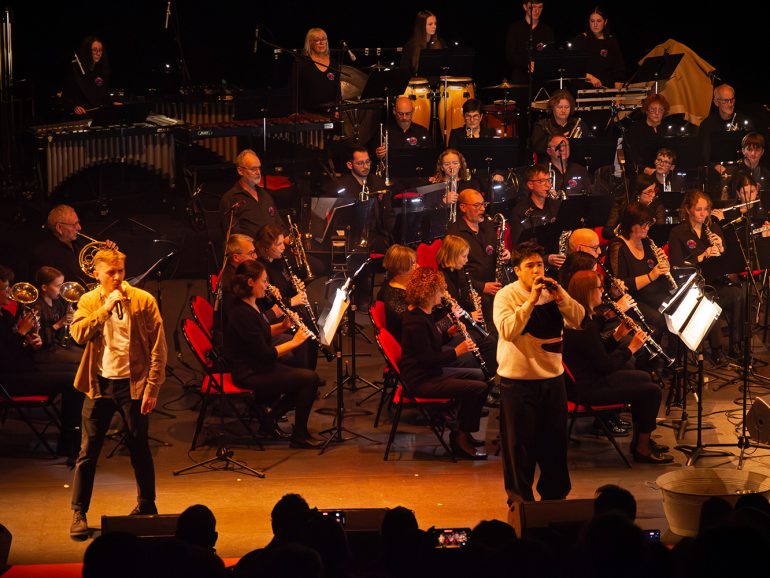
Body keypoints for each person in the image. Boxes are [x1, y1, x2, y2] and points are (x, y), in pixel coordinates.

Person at [69, 248, 167, 539]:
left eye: (120, 271)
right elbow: (78, 334)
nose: (116, 277)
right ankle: (78, 512)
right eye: (110, 272)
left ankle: (147, 506)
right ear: (97, 274)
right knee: (88, 452)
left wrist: (152, 387)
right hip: (99, 384)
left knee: (139, 447)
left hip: (132, 385)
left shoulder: (143, 300)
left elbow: (158, 348)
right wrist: (105, 308)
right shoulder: (89, 300)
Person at [493, 241, 584, 506]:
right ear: (517, 270)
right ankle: (521, 504)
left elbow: (579, 319)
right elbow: (508, 331)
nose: (536, 270)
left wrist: (561, 296)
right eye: (530, 266)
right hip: (518, 384)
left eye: (540, 265)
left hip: (552, 381)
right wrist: (531, 301)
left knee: (555, 446)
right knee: (519, 448)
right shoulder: (506, 296)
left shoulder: (553, 292)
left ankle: (554, 502)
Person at [564, 270, 672, 463]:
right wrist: (631, 348)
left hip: (589, 378)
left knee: (644, 378)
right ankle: (642, 448)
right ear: (589, 292)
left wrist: (617, 335)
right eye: (599, 288)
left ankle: (640, 440)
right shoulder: (584, 326)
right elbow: (605, 365)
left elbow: (596, 352)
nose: (602, 292)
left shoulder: (584, 318)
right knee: (652, 391)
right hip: (588, 389)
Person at [223, 260, 323, 449]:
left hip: (257, 365)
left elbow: (261, 332)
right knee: (309, 379)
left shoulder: (251, 303)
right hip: (249, 372)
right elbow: (266, 354)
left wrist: (283, 326)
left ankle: (269, 419)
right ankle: (299, 435)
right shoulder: (241, 313)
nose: (267, 285)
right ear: (251, 282)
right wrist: (295, 342)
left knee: (305, 378)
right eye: (264, 281)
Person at [400, 267, 489, 459]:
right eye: (441, 290)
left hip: (430, 373)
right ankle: (460, 437)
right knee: (479, 388)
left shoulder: (424, 314)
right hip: (421, 380)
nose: (443, 293)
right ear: (430, 293)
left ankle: (463, 430)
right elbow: (426, 359)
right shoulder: (415, 321)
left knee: (482, 377)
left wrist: (448, 335)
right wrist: (457, 351)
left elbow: (430, 346)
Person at [668, 191, 743, 363]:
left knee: (738, 293)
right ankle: (716, 350)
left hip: (714, 280)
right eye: (699, 209)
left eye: (706, 209)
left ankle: (736, 345)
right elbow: (677, 265)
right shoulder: (677, 233)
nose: (704, 214)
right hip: (693, 286)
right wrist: (703, 256)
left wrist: (721, 249)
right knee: (710, 298)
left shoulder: (713, 228)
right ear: (688, 210)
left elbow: (728, 262)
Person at [605, 202, 672, 349]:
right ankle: (656, 358)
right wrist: (651, 276)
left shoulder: (647, 241)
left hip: (653, 294)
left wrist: (665, 265)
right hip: (633, 299)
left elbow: (659, 274)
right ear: (630, 224)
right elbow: (620, 285)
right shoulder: (618, 246)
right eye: (643, 224)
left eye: (648, 224)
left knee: (677, 310)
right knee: (660, 320)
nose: (647, 228)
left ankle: (673, 354)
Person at [447, 188, 511, 323]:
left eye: (483, 204)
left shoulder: (488, 226)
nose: (482, 209)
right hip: (471, 290)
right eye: (477, 205)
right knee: (487, 306)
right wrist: (482, 287)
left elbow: (494, 253)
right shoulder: (454, 233)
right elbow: (454, 273)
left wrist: (506, 255)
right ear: (463, 207)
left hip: (493, 284)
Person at [323, 145, 394, 253]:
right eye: (360, 163)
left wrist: (386, 233)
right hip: (350, 237)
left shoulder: (378, 183)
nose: (366, 166)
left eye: (368, 162)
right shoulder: (339, 186)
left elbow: (388, 213)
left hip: (375, 236)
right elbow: (331, 216)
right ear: (350, 165)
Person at [30, 204, 103, 288]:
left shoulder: (81, 239)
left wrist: (106, 254)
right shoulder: (44, 254)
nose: (79, 227)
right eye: (74, 224)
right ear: (59, 228)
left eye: (78, 222)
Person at [219, 150, 284, 240]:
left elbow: (279, 225)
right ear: (240, 171)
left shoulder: (265, 195)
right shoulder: (230, 199)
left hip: (273, 247)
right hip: (252, 248)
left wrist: (291, 240)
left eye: (259, 168)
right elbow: (234, 240)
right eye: (253, 169)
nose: (258, 172)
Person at [509, 164, 564, 268]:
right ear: (530, 185)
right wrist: (545, 259)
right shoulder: (519, 212)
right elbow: (520, 249)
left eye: (549, 180)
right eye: (542, 181)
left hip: (559, 259)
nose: (548, 185)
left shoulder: (557, 205)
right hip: (534, 264)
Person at [700, 84, 754, 168]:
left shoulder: (744, 121)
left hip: (742, 168)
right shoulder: (707, 125)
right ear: (716, 102)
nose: (730, 104)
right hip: (716, 170)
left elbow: (753, 148)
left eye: (732, 100)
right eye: (725, 100)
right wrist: (715, 166)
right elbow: (704, 153)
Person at [572, 7, 626, 89]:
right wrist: (590, 77)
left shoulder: (611, 40)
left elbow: (619, 68)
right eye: (592, 21)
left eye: (599, 21)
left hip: (607, 89)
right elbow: (573, 66)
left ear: (605, 22)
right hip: (585, 89)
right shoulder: (580, 40)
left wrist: (617, 92)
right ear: (589, 22)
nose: (595, 24)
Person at [292, 28, 340, 115]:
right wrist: (295, 111)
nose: (321, 43)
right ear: (310, 43)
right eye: (317, 40)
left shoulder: (334, 64)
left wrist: (337, 110)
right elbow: (294, 89)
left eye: (324, 39)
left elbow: (338, 92)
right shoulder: (301, 62)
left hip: (330, 113)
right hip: (307, 113)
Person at [603, 174, 666, 240]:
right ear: (638, 194)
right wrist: (620, 231)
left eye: (654, 190)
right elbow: (606, 232)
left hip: (646, 242)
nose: (653, 195)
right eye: (649, 192)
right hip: (626, 241)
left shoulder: (657, 206)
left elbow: (661, 233)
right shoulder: (622, 205)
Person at [505, 2, 554, 86]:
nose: (537, 11)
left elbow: (551, 55)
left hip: (541, 81)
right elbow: (510, 55)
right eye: (533, 7)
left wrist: (539, 64)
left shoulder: (547, 30)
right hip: (519, 80)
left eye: (540, 7)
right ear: (525, 7)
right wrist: (526, 63)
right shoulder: (515, 29)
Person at [376, 244, 418, 341]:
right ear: (401, 268)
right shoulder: (394, 297)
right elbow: (417, 326)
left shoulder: (400, 284)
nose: (417, 266)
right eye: (413, 264)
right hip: (407, 342)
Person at [62, 35, 110, 116]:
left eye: (100, 50)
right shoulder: (75, 69)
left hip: (98, 115)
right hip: (80, 116)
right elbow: (66, 96)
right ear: (87, 50)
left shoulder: (102, 69)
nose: (98, 53)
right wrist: (74, 107)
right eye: (94, 50)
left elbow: (103, 94)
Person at [375, 96, 434, 161]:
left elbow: (429, 157)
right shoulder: (384, 131)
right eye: (401, 114)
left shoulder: (422, 131)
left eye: (407, 114)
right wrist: (378, 154)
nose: (404, 118)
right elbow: (373, 157)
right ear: (394, 111)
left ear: (413, 111)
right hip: (393, 167)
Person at [624, 93, 670, 175]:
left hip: (665, 172)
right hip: (642, 173)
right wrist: (645, 169)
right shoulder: (635, 129)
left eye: (660, 110)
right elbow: (631, 156)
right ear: (646, 110)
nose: (657, 113)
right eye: (653, 110)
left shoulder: (667, 129)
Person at [530, 90, 582, 162]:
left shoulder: (578, 124)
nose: (563, 110)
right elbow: (537, 148)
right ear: (552, 107)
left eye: (567, 107)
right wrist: (557, 138)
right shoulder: (541, 125)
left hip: (573, 164)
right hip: (548, 164)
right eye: (559, 107)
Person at [401, 10, 447, 75]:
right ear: (421, 26)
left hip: (437, 80)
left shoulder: (441, 42)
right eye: (430, 24)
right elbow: (404, 70)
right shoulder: (410, 45)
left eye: (435, 23)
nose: (434, 26)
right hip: (417, 80)